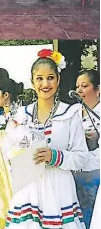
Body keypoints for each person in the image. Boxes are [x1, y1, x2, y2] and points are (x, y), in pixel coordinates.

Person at [3, 48, 87, 229]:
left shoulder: (70, 113)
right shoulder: (20, 114)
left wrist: (54, 156)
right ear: (32, 81)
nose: (45, 84)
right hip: (28, 188)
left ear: (58, 80)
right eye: (39, 78)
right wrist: (22, 156)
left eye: (50, 77)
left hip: (58, 188)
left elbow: (81, 158)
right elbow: (7, 151)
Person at [0, 78, 23, 229]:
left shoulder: (20, 117)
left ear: (6, 95)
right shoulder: (2, 117)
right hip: (1, 171)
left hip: (13, 171)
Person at [73, 69, 100, 228]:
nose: (79, 90)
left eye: (84, 86)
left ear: (98, 90)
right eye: (77, 86)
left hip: (95, 173)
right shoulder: (73, 112)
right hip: (74, 172)